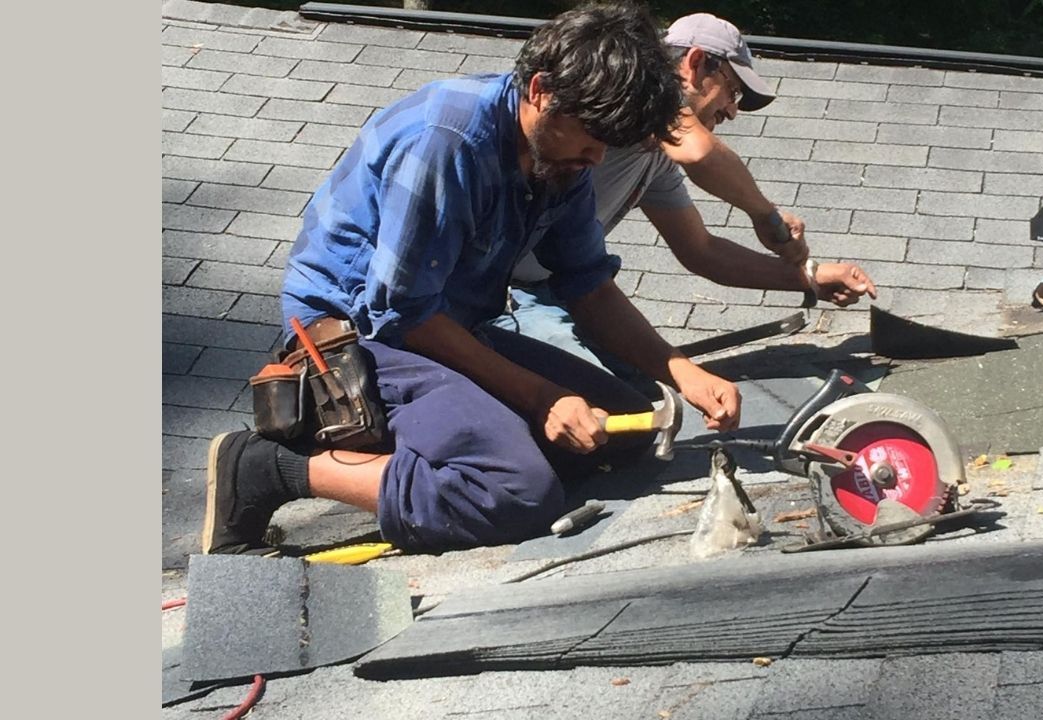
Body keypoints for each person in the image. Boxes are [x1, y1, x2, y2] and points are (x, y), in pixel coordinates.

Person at [200, 3, 742, 557]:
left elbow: (588, 285)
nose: (597, 158)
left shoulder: (562, 156)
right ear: (541, 91)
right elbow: (403, 315)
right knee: (517, 492)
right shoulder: (447, 141)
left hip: (449, 324)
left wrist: (684, 373)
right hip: (358, 335)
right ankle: (269, 466)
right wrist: (541, 397)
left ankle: (455, 449)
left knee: (625, 429)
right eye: (591, 138)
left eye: (609, 144)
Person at [494, 13, 879, 370]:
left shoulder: (653, 156)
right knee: (594, 399)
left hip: (564, 292)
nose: (732, 111)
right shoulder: (632, 97)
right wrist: (765, 214)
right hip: (503, 295)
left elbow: (701, 250)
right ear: (695, 63)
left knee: (641, 390)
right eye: (732, 90)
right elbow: (699, 152)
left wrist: (812, 277)